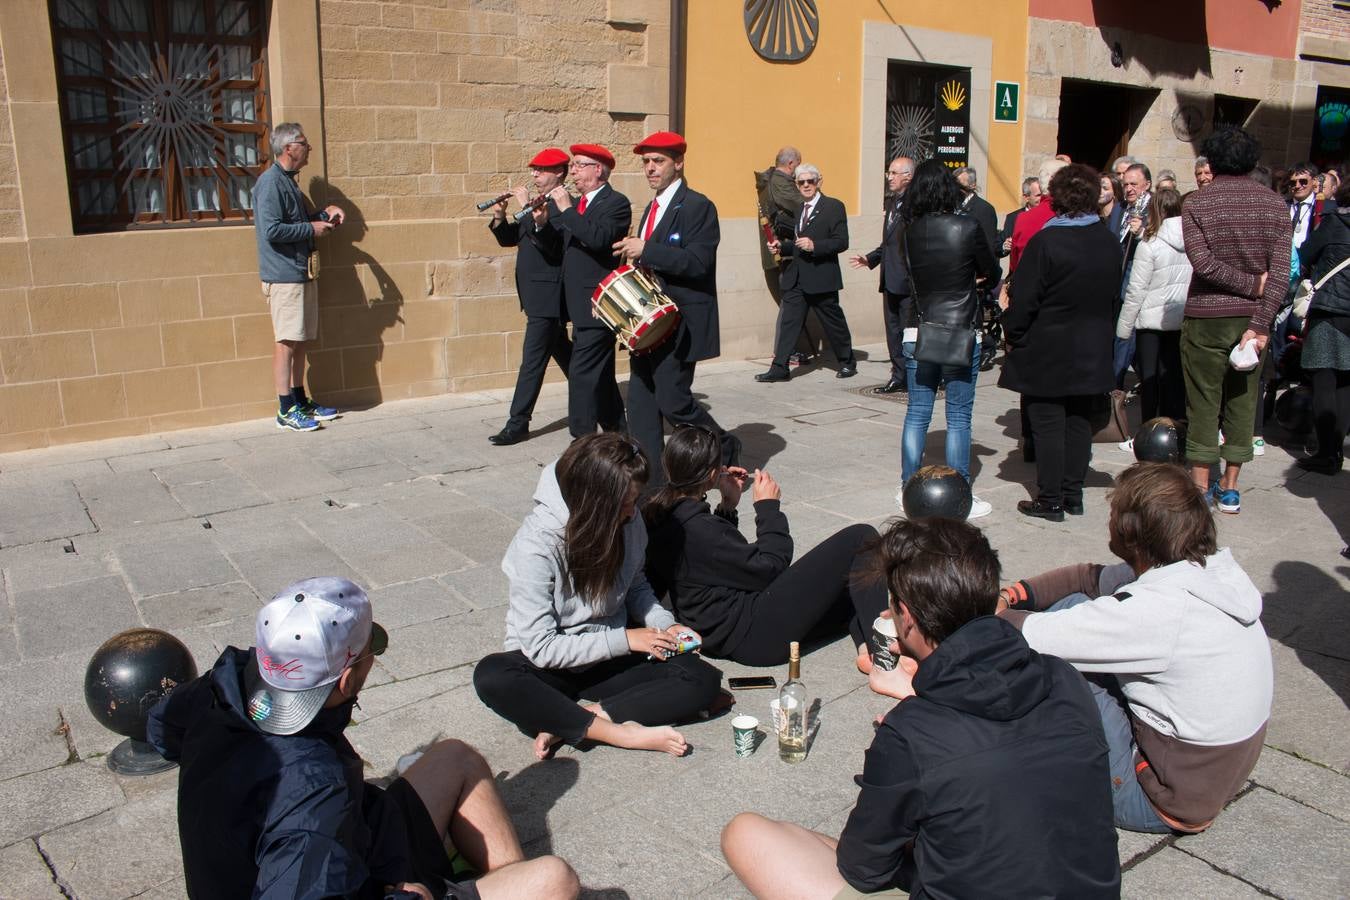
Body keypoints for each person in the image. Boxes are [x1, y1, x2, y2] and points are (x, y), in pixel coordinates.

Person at [720, 517, 1120, 900]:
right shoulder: (1063, 677)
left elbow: (864, 868)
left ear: (906, 618)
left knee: (746, 834)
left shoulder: (912, 731)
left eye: (891, 605)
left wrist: (901, 784)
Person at [147, 577, 579, 900]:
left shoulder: (220, 683)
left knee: (456, 757)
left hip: (358, 841)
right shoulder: (313, 790)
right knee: (555, 881)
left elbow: (161, 729)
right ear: (348, 677)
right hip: (349, 873)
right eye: (370, 650)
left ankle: (496, 879)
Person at [997, 462, 1273, 833]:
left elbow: (1036, 635)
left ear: (1130, 533)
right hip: (1203, 779)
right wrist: (1013, 594)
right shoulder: (1201, 571)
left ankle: (991, 734)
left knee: (1054, 662)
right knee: (1078, 605)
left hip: (1155, 796)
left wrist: (987, 615)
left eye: (1112, 516)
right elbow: (1088, 579)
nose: (1107, 523)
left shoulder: (1158, 611)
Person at [473, 432, 723, 760]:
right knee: (492, 675)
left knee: (701, 678)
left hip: (605, 657)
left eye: (635, 499)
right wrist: (628, 639)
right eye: (626, 504)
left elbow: (636, 587)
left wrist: (664, 625)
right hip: (548, 666)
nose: (634, 512)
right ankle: (620, 732)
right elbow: (542, 648)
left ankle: (572, 718)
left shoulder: (630, 520)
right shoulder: (536, 545)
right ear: (597, 506)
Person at [643, 425, 888, 672]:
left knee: (856, 587)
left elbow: (716, 565)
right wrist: (768, 507)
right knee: (861, 537)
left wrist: (728, 505)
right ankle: (886, 656)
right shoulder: (700, 528)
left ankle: (867, 651)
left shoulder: (662, 514)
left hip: (722, 633)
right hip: (754, 633)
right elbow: (770, 567)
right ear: (711, 475)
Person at [612, 131, 739, 478]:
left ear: (678, 163)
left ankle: (724, 444)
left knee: (673, 401)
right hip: (647, 322)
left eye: (658, 161)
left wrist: (647, 250)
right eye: (646, 162)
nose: (650, 169)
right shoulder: (652, 208)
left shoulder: (698, 206)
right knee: (639, 404)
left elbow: (698, 262)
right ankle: (648, 480)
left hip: (679, 323)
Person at [1000, 164, 1122, 522]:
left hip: (1049, 347)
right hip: (1091, 346)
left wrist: (1014, 333)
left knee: (1049, 423)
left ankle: (1051, 499)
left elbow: (1025, 299)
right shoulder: (1108, 242)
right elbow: (1114, 295)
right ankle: (1072, 494)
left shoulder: (1047, 241)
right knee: (1079, 422)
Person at [1180, 127, 1291, 514]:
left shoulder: (1197, 203)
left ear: (1211, 160)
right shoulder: (1276, 205)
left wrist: (1249, 286)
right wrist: (1260, 320)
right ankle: (1230, 486)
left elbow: (1203, 264)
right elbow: (1279, 276)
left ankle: (1199, 485)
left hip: (1207, 314)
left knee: (1203, 400)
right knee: (1243, 401)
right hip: (1251, 319)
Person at [898, 160, 999, 520]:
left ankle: (908, 486)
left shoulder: (908, 231)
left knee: (917, 412)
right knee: (958, 415)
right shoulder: (967, 226)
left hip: (919, 327)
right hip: (958, 329)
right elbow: (992, 269)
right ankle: (960, 493)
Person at [253, 122, 342, 432]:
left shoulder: (289, 182)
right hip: (284, 275)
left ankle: (300, 399)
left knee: (301, 340)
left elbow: (300, 219)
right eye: (304, 143)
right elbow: (272, 230)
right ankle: (285, 409)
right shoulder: (270, 183)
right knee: (286, 343)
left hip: (301, 272)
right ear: (289, 148)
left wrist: (324, 214)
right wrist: (311, 229)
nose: (309, 149)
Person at [486, 148, 573, 446]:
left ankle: (518, 423)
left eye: (541, 170)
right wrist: (499, 216)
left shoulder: (564, 205)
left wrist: (526, 208)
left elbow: (553, 247)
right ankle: (605, 405)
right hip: (534, 295)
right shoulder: (540, 202)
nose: (534, 175)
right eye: (534, 170)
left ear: (559, 173)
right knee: (572, 360)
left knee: (532, 362)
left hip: (549, 296)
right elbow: (513, 238)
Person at [549, 143, 629, 439]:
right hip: (578, 303)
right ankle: (618, 433)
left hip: (599, 302)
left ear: (599, 170)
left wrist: (566, 210)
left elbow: (598, 238)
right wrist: (544, 221)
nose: (573, 170)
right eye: (573, 165)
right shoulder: (580, 205)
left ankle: (581, 441)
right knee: (602, 376)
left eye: (579, 164)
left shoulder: (614, 203)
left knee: (581, 375)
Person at [756, 164, 858, 381]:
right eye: (800, 182)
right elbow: (797, 244)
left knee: (833, 322)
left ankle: (847, 362)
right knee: (789, 323)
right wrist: (782, 248)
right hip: (796, 276)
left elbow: (841, 242)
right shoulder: (799, 209)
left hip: (821, 276)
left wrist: (815, 246)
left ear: (819, 181)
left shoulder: (833, 206)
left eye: (810, 181)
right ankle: (779, 368)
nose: (805, 185)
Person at [1116, 187, 1190, 429]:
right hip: (1181, 321)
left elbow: (1135, 290)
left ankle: (1148, 430)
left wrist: (1123, 329)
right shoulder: (1193, 243)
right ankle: (1174, 428)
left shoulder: (1150, 245)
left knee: (1150, 379)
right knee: (1174, 378)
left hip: (1152, 321)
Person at [1296, 179, 1350, 474]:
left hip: (1330, 307)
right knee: (1346, 382)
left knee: (1325, 379)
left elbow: (1306, 254)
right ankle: (1335, 451)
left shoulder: (1334, 222)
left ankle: (1327, 453)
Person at [848, 156, 915, 393]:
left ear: (908, 176)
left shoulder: (914, 205)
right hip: (889, 279)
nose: (889, 178)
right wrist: (871, 259)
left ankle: (913, 376)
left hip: (908, 282)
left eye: (894, 173)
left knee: (910, 333)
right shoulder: (893, 203)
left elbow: (913, 245)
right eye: (889, 173)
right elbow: (888, 243)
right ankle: (899, 375)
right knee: (893, 331)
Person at [757, 145, 819, 365]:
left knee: (791, 301)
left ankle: (787, 350)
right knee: (790, 303)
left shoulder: (771, 182)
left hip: (782, 251)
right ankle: (784, 351)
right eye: (798, 166)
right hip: (784, 252)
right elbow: (803, 205)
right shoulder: (780, 183)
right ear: (791, 163)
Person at [998, 176, 1041, 258]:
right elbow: (997, 246)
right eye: (1038, 195)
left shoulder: (1050, 215)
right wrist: (1005, 246)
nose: (1042, 198)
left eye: (1043, 194)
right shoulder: (1013, 217)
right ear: (1026, 197)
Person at [1099, 171, 1126, 238]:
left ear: (1115, 193)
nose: (1099, 191)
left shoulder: (1122, 216)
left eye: (1105, 188)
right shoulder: (1092, 216)